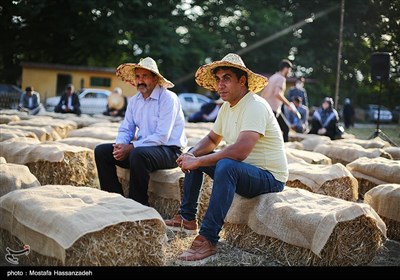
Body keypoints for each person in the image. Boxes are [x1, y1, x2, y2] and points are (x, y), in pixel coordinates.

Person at [165, 53, 288, 264]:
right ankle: (187, 219)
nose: (220, 84)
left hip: (269, 177)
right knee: (199, 155)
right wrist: (191, 154)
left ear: (242, 81)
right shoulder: (226, 107)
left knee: (225, 165)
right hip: (245, 171)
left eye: (227, 78)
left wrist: (198, 160)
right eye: (218, 79)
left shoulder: (255, 105)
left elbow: (240, 151)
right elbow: (213, 139)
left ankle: (208, 239)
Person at [94, 57, 187, 206]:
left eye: (145, 76)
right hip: (145, 149)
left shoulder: (168, 98)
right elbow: (126, 128)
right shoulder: (135, 100)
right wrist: (120, 145)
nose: (140, 81)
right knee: (102, 151)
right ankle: (115, 201)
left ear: (155, 78)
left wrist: (131, 147)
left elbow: (162, 136)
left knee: (138, 153)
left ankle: (137, 205)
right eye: (137, 76)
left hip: (170, 151)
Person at [259, 59, 299, 142]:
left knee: (284, 128)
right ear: (286, 69)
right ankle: (284, 152)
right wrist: (288, 104)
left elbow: (263, 93)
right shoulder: (281, 79)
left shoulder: (273, 77)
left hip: (269, 108)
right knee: (285, 129)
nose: (289, 72)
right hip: (273, 109)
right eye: (290, 70)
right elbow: (277, 94)